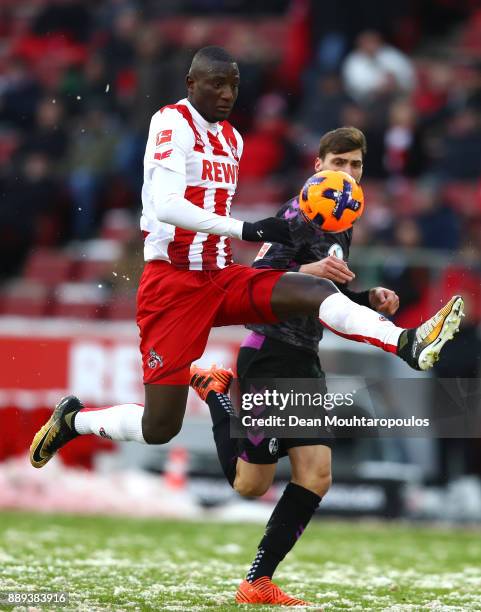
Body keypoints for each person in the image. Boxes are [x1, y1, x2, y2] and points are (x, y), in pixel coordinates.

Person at [29, 47, 462, 590]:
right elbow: (165, 205)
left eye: (233, 84)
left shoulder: (232, 139)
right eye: (216, 84)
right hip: (174, 286)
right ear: (191, 82)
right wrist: (251, 230)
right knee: (159, 427)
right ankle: (76, 420)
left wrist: (258, 245)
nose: (227, 94)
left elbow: (242, 237)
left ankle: (408, 343)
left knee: (310, 290)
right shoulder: (171, 122)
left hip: (221, 275)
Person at [188, 126, 404, 605]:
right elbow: (255, 280)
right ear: (318, 164)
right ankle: (213, 391)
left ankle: (257, 581)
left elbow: (324, 292)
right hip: (269, 352)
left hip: (303, 356)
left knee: (317, 474)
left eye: (356, 165)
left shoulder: (343, 217)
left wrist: (367, 297)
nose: (348, 172)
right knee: (250, 485)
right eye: (340, 163)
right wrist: (309, 272)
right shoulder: (299, 211)